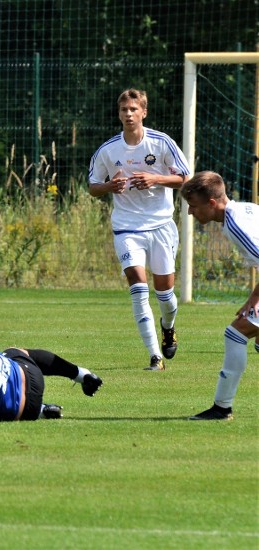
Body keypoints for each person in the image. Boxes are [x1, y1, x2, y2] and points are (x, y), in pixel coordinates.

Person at [89, 88, 190, 371]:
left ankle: (168, 327)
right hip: (126, 228)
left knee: (166, 295)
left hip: (160, 225)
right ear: (119, 114)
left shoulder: (161, 143)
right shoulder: (108, 150)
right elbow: (93, 186)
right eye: (124, 110)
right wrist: (110, 186)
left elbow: (185, 177)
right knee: (138, 288)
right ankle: (155, 357)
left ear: (143, 112)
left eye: (134, 109)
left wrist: (155, 178)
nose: (129, 114)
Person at [180, 171, 259, 421]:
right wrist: (253, 300)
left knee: (236, 333)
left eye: (194, 206)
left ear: (212, 204)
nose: (191, 212)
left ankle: (221, 408)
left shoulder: (236, 225)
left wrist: (254, 300)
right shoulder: (244, 210)